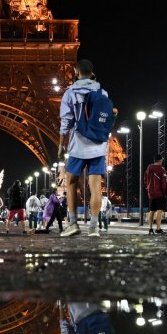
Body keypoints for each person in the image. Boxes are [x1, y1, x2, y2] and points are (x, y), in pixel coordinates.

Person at [58, 59, 110, 237]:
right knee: (96, 187)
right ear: (92, 73)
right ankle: (94, 227)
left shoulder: (70, 93)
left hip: (78, 145)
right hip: (98, 145)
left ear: (75, 71)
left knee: (71, 182)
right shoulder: (102, 91)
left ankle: (72, 224)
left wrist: (60, 144)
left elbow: (66, 122)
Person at [144, 153, 167, 234]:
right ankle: (158, 228)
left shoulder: (148, 169)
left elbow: (145, 180)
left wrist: (148, 188)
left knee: (152, 210)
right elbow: (164, 183)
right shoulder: (161, 169)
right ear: (160, 160)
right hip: (159, 193)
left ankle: (150, 228)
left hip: (150, 193)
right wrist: (165, 192)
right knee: (159, 210)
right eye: (161, 160)